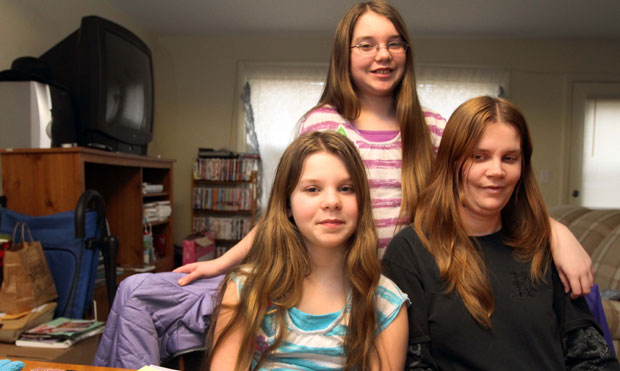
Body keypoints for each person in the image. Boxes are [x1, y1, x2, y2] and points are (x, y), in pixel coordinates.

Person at [94, 1, 593, 367]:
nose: (382, 55)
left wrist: (556, 231)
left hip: (390, 285)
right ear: (344, 55)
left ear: (407, 53)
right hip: (310, 272)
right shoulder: (322, 125)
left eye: (394, 43)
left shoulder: (434, 127)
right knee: (139, 291)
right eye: (367, 45)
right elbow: (287, 206)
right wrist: (224, 262)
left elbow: (487, 185)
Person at [381, 96, 620, 370]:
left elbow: (593, 356)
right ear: (451, 162)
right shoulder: (409, 252)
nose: (496, 171)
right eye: (479, 156)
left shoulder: (548, 247)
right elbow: (414, 364)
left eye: (509, 158)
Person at [208, 130, 408, 370]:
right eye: (313, 189)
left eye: (346, 188)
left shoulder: (386, 303)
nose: (332, 201)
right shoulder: (245, 289)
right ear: (287, 204)